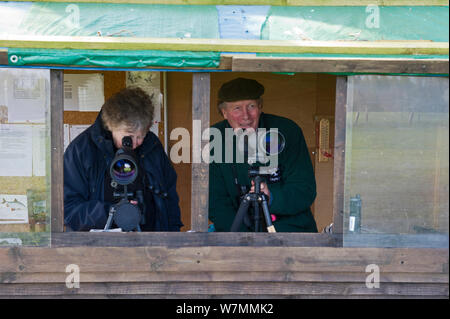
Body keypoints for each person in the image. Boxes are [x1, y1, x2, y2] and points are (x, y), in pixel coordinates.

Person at [64, 87, 183, 231]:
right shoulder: (81, 151)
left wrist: (173, 235)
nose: (136, 143)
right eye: (129, 136)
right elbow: (68, 210)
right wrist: (113, 214)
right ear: (111, 125)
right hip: (97, 247)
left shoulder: (152, 145)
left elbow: (169, 196)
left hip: (150, 245)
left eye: (142, 135)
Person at [208, 77, 317, 232]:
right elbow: (214, 201)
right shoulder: (214, 138)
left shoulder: (286, 131)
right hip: (235, 232)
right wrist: (243, 239)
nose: (246, 116)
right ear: (224, 112)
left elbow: (304, 189)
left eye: (251, 106)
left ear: (260, 107)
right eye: (237, 108)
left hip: (290, 228)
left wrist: (271, 197)